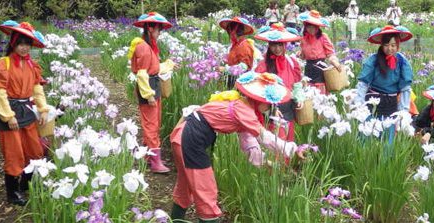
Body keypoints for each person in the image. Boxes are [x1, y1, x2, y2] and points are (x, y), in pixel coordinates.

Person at [168, 71, 307, 223]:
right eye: (268, 103)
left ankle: (175, 220)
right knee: (206, 190)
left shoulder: (242, 107)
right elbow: (264, 138)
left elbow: (249, 145)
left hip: (183, 137)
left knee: (185, 186)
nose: (270, 107)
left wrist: (267, 163)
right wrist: (293, 150)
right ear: (258, 100)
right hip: (191, 139)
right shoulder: (243, 109)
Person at [0, 20, 50, 206]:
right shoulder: (4, 64)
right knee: (14, 152)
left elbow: (37, 89)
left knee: (34, 148)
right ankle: (12, 193)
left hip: (27, 110)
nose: (24, 48)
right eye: (20, 43)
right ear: (13, 43)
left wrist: (42, 109)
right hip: (10, 111)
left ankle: (26, 183)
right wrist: (8, 116)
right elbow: (0, 92)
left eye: (27, 44)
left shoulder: (32, 65)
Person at [129, 12, 179, 173]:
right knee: (151, 125)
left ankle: (148, 155)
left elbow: (154, 69)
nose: (159, 33)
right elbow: (142, 73)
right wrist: (148, 95)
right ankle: (155, 162)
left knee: (154, 123)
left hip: (153, 86)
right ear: (150, 28)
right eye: (158, 29)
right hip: (148, 89)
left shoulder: (149, 46)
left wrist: (169, 64)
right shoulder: (143, 47)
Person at [355, 25, 414, 143]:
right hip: (372, 101)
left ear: (398, 45)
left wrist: (403, 111)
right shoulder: (374, 60)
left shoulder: (402, 62)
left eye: (393, 45)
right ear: (381, 45)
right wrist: (359, 105)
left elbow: (405, 88)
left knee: (387, 139)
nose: (390, 49)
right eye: (386, 45)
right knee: (367, 135)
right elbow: (363, 83)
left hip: (390, 103)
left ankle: (385, 160)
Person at [254, 23, 303, 141]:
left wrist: (299, 97)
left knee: (288, 145)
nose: (277, 49)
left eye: (280, 45)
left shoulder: (291, 62)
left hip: (289, 109)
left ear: (285, 45)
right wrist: (271, 109)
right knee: (276, 147)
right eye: (274, 45)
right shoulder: (263, 65)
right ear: (269, 45)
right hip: (272, 111)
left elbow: (296, 84)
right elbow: (258, 91)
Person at [297, 10, 343, 94]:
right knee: (308, 91)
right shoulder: (303, 39)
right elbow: (303, 56)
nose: (311, 29)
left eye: (314, 27)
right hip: (308, 68)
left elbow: (330, 53)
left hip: (320, 68)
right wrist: (300, 54)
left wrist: (335, 62)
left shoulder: (323, 37)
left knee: (320, 93)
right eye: (309, 27)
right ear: (305, 27)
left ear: (318, 27)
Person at [216, 17, 257, 89]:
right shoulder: (235, 45)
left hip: (241, 83)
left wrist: (225, 69)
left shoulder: (244, 45)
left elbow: (244, 67)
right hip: (232, 80)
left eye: (231, 30)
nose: (230, 34)